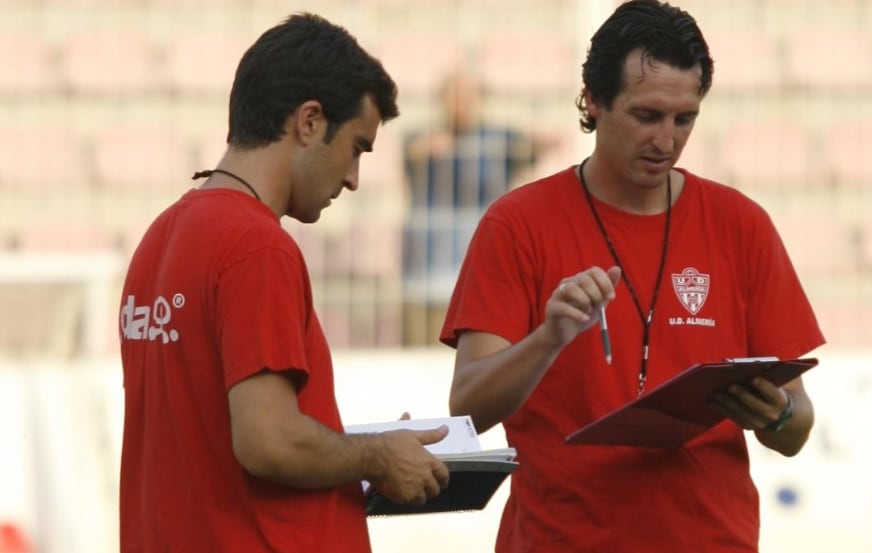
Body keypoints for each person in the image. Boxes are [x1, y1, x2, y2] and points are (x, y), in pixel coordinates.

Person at [440, 1, 825, 551]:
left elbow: (796, 427)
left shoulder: (741, 224)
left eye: (684, 118)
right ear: (593, 101)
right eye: (647, 116)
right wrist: (549, 337)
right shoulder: (518, 223)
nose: (666, 140)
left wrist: (778, 413)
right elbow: (467, 407)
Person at [118, 13, 450, 553]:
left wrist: (366, 450)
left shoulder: (162, 235)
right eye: (357, 148)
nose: (352, 179)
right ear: (310, 122)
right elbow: (267, 442)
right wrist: (375, 456)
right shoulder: (257, 245)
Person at [401, 68, 547, 346]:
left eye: (467, 96)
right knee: (426, 349)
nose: (460, 103)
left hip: (485, 265)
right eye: (454, 96)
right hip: (432, 267)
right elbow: (413, 152)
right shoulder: (423, 137)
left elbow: (534, 148)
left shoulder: (498, 137)